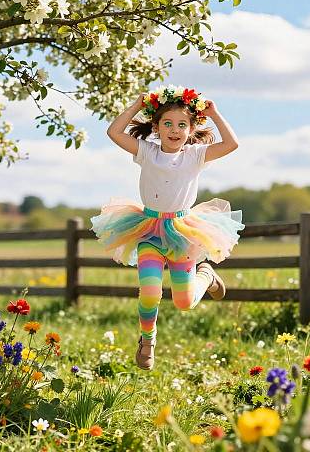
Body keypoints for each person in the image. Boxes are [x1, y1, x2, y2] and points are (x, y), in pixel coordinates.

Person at [90, 86, 245, 370]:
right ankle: (147, 341)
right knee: (150, 291)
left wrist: (215, 114)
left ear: (191, 128)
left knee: (184, 302)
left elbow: (231, 144)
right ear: (156, 126)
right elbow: (114, 132)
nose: (175, 130)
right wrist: (136, 105)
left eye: (182, 124)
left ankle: (206, 276)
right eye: (168, 123)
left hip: (183, 232)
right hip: (148, 228)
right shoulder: (147, 151)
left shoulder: (195, 155)